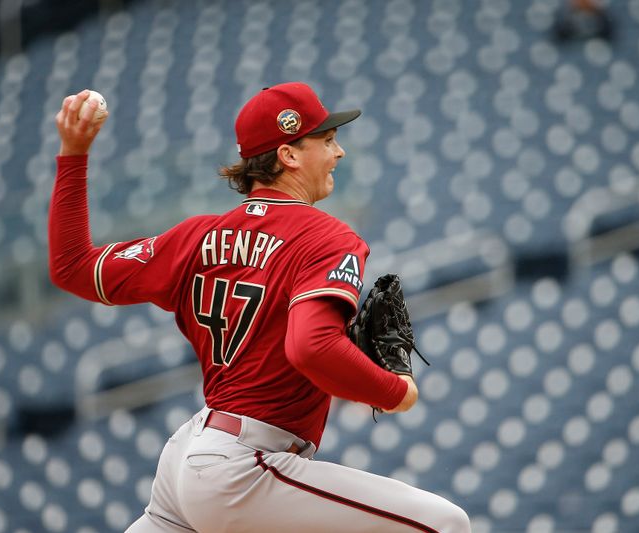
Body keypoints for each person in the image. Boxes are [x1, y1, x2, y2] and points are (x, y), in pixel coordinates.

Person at [50, 84, 471, 532]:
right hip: (244, 468)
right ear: (289, 155)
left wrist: (73, 154)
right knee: (446, 524)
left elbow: (72, 267)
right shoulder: (326, 237)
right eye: (326, 140)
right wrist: (396, 391)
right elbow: (311, 347)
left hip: (190, 457)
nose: (340, 152)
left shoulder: (194, 237)